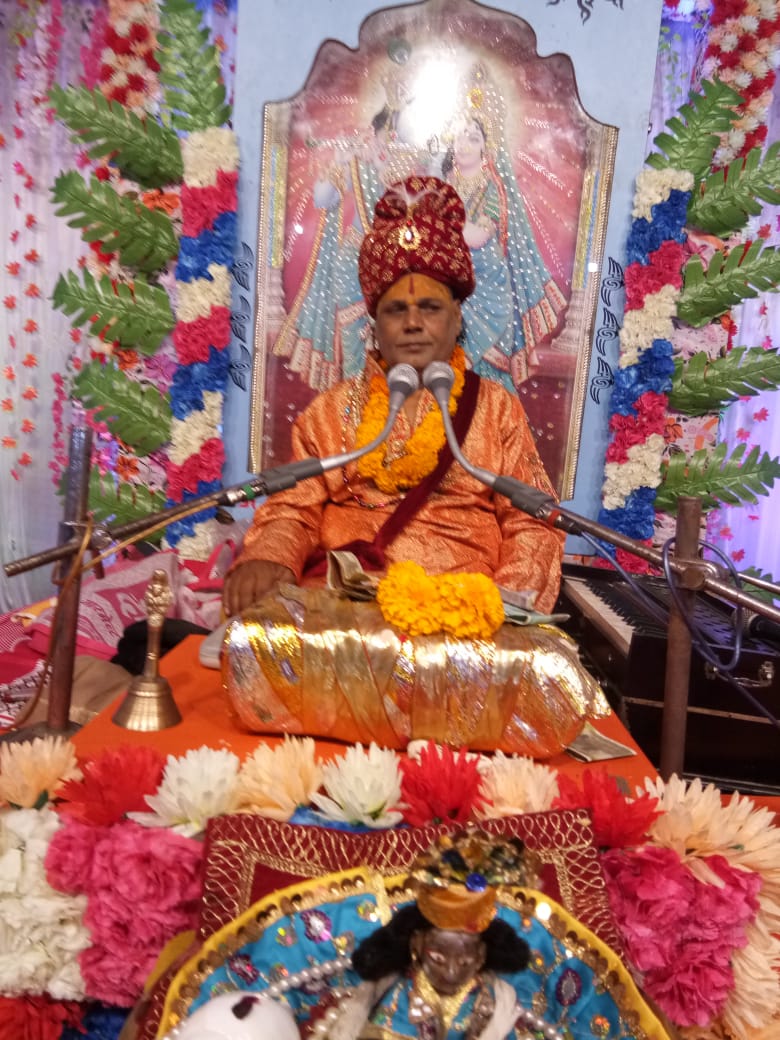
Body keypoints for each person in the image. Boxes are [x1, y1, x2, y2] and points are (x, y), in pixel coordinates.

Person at [224, 174, 565, 619]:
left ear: (457, 318)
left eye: (430, 308)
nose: (413, 323)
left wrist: (507, 608)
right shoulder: (328, 413)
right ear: (375, 324)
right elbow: (293, 509)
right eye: (396, 310)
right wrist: (269, 556)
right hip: (340, 609)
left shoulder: (497, 409)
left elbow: (533, 522)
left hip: (461, 617)